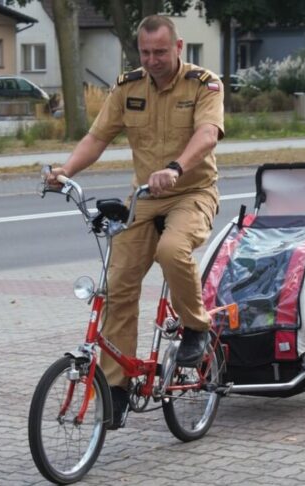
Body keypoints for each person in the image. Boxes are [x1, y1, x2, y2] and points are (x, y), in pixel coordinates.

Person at [47, 14, 224, 430]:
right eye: (145, 53)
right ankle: (118, 388)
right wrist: (65, 171)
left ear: (178, 48)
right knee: (117, 285)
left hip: (192, 192)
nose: (152, 60)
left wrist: (177, 168)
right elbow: (97, 138)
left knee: (171, 249)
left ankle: (197, 328)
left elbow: (208, 133)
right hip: (145, 199)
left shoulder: (203, 83)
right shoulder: (128, 87)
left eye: (160, 52)